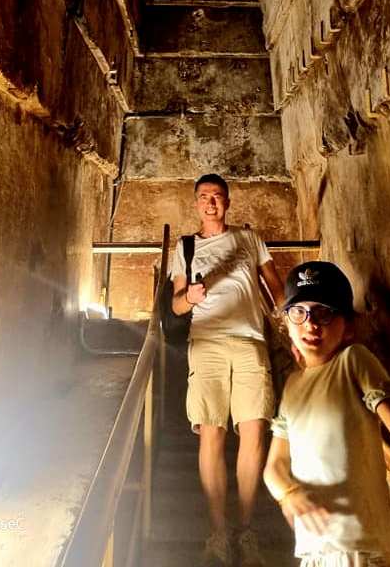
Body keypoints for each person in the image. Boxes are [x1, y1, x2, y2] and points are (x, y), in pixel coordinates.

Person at [264, 260, 390, 567]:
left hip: (361, 551)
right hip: (313, 554)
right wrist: (288, 494)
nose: (311, 324)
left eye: (324, 312)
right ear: (286, 324)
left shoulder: (354, 361)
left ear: (347, 327)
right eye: (299, 312)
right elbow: (273, 466)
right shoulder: (292, 387)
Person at [171, 174, 286, 567]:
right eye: (204, 197)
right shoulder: (186, 247)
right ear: (196, 203)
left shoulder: (249, 239)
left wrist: (291, 326)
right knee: (211, 432)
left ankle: (246, 527)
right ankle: (219, 531)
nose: (210, 203)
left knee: (254, 429)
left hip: (250, 340)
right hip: (207, 345)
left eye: (217, 196)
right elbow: (175, 307)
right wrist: (190, 296)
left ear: (228, 202)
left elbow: (276, 288)